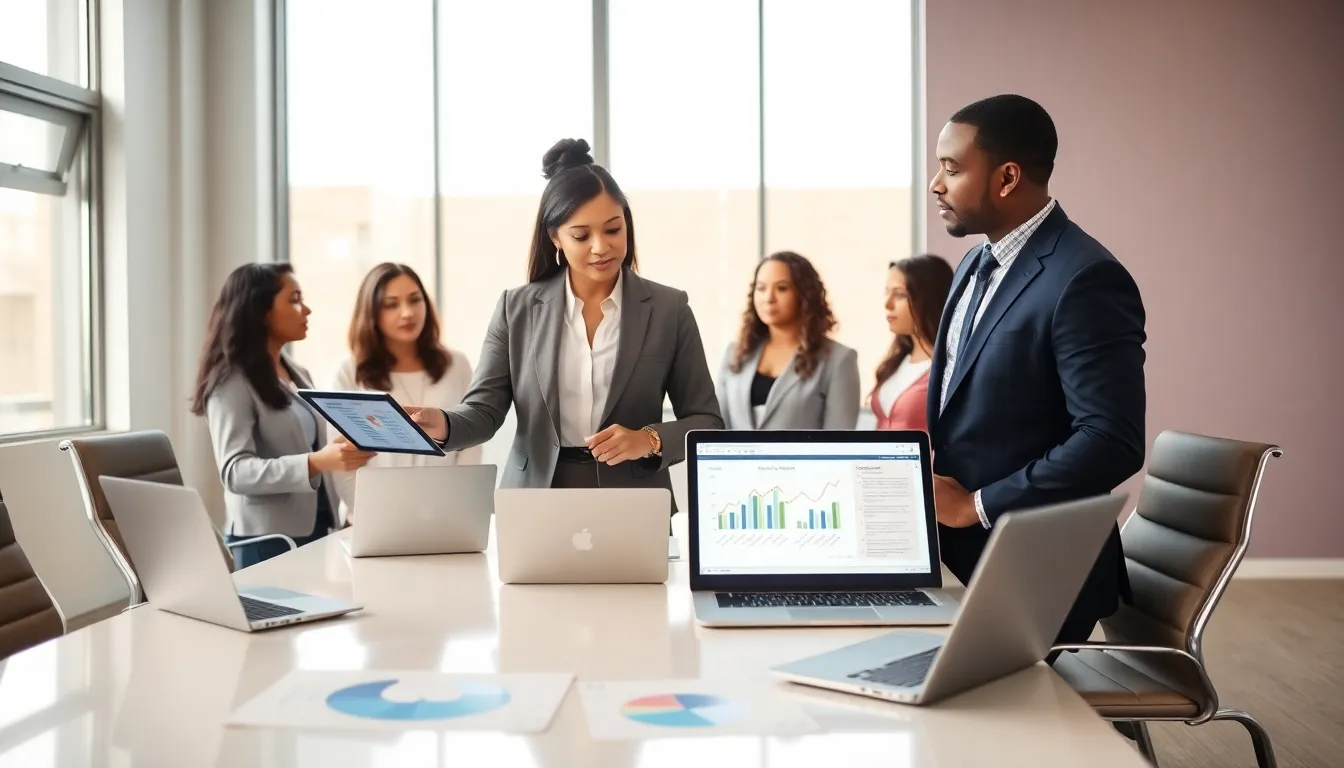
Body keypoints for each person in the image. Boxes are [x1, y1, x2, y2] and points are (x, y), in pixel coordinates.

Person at [925, 95, 1144, 657]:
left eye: (951, 168)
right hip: (958, 553)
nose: (936, 184)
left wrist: (973, 505)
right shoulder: (975, 263)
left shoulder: (1086, 278)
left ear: (1007, 178)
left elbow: (1110, 441)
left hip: (1039, 574)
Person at [409, 139, 722, 505]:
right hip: (536, 499)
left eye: (613, 229)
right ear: (554, 237)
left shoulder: (669, 308)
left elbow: (707, 422)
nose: (600, 247)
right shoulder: (517, 308)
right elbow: (484, 411)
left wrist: (647, 439)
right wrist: (443, 423)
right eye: (581, 235)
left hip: (635, 500)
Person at [191, 263, 374, 568]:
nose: (307, 310)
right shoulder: (230, 382)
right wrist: (317, 462)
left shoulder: (297, 373)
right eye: (294, 299)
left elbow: (312, 446)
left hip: (315, 529)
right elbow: (235, 472)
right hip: (266, 541)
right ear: (261, 310)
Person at [328, 262, 482, 522]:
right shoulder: (350, 370)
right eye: (391, 304)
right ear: (371, 312)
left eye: (415, 300)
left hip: (444, 517)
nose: (407, 312)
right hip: (372, 518)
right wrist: (365, 514)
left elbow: (470, 445)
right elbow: (343, 459)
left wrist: (460, 509)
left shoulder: (457, 365)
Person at [716, 251, 859, 430]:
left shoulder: (839, 359)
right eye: (761, 288)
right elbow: (716, 428)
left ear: (804, 295)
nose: (768, 298)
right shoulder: (735, 353)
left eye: (782, 288)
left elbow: (839, 442)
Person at [870, 254, 953, 432]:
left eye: (900, 294)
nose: (888, 304)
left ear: (928, 297)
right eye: (887, 292)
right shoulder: (897, 361)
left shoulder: (949, 368)